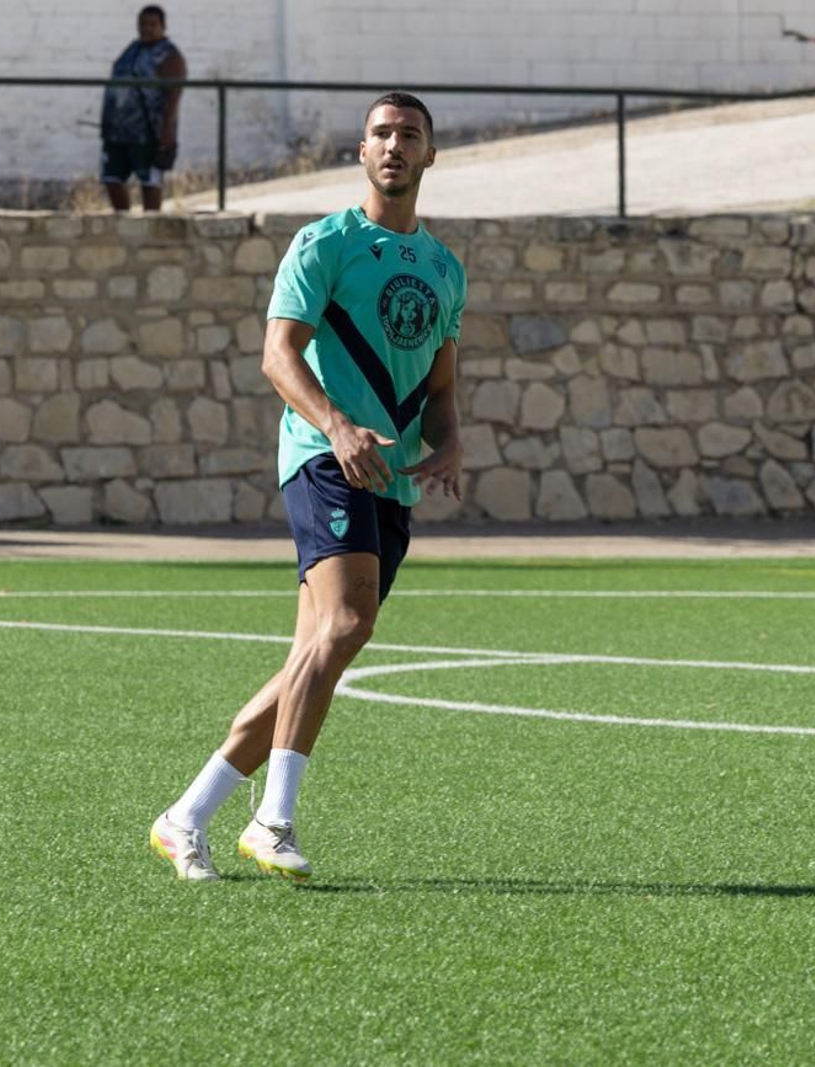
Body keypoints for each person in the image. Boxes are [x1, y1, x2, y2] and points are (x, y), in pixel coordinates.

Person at [149, 92, 467, 884]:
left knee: (312, 654)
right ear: (362, 153)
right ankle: (274, 819)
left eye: (410, 136)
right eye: (382, 134)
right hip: (325, 458)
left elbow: (442, 389)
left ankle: (185, 814)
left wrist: (451, 442)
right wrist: (336, 426)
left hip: (390, 480)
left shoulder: (444, 268)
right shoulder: (323, 243)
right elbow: (277, 356)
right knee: (350, 623)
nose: (395, 145)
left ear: (430, 156)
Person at [100, 5, 186, 212]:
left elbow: (174, 94)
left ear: (163, 27)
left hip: (148, 132)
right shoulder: (132, 49)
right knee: (111, 178)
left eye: (152, 24)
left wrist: (167, 129)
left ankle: (151, 227)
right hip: (117, 131)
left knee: (149, 181)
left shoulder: (169, 55)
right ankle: (123, 223)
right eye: (142, 24)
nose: (146, 29)